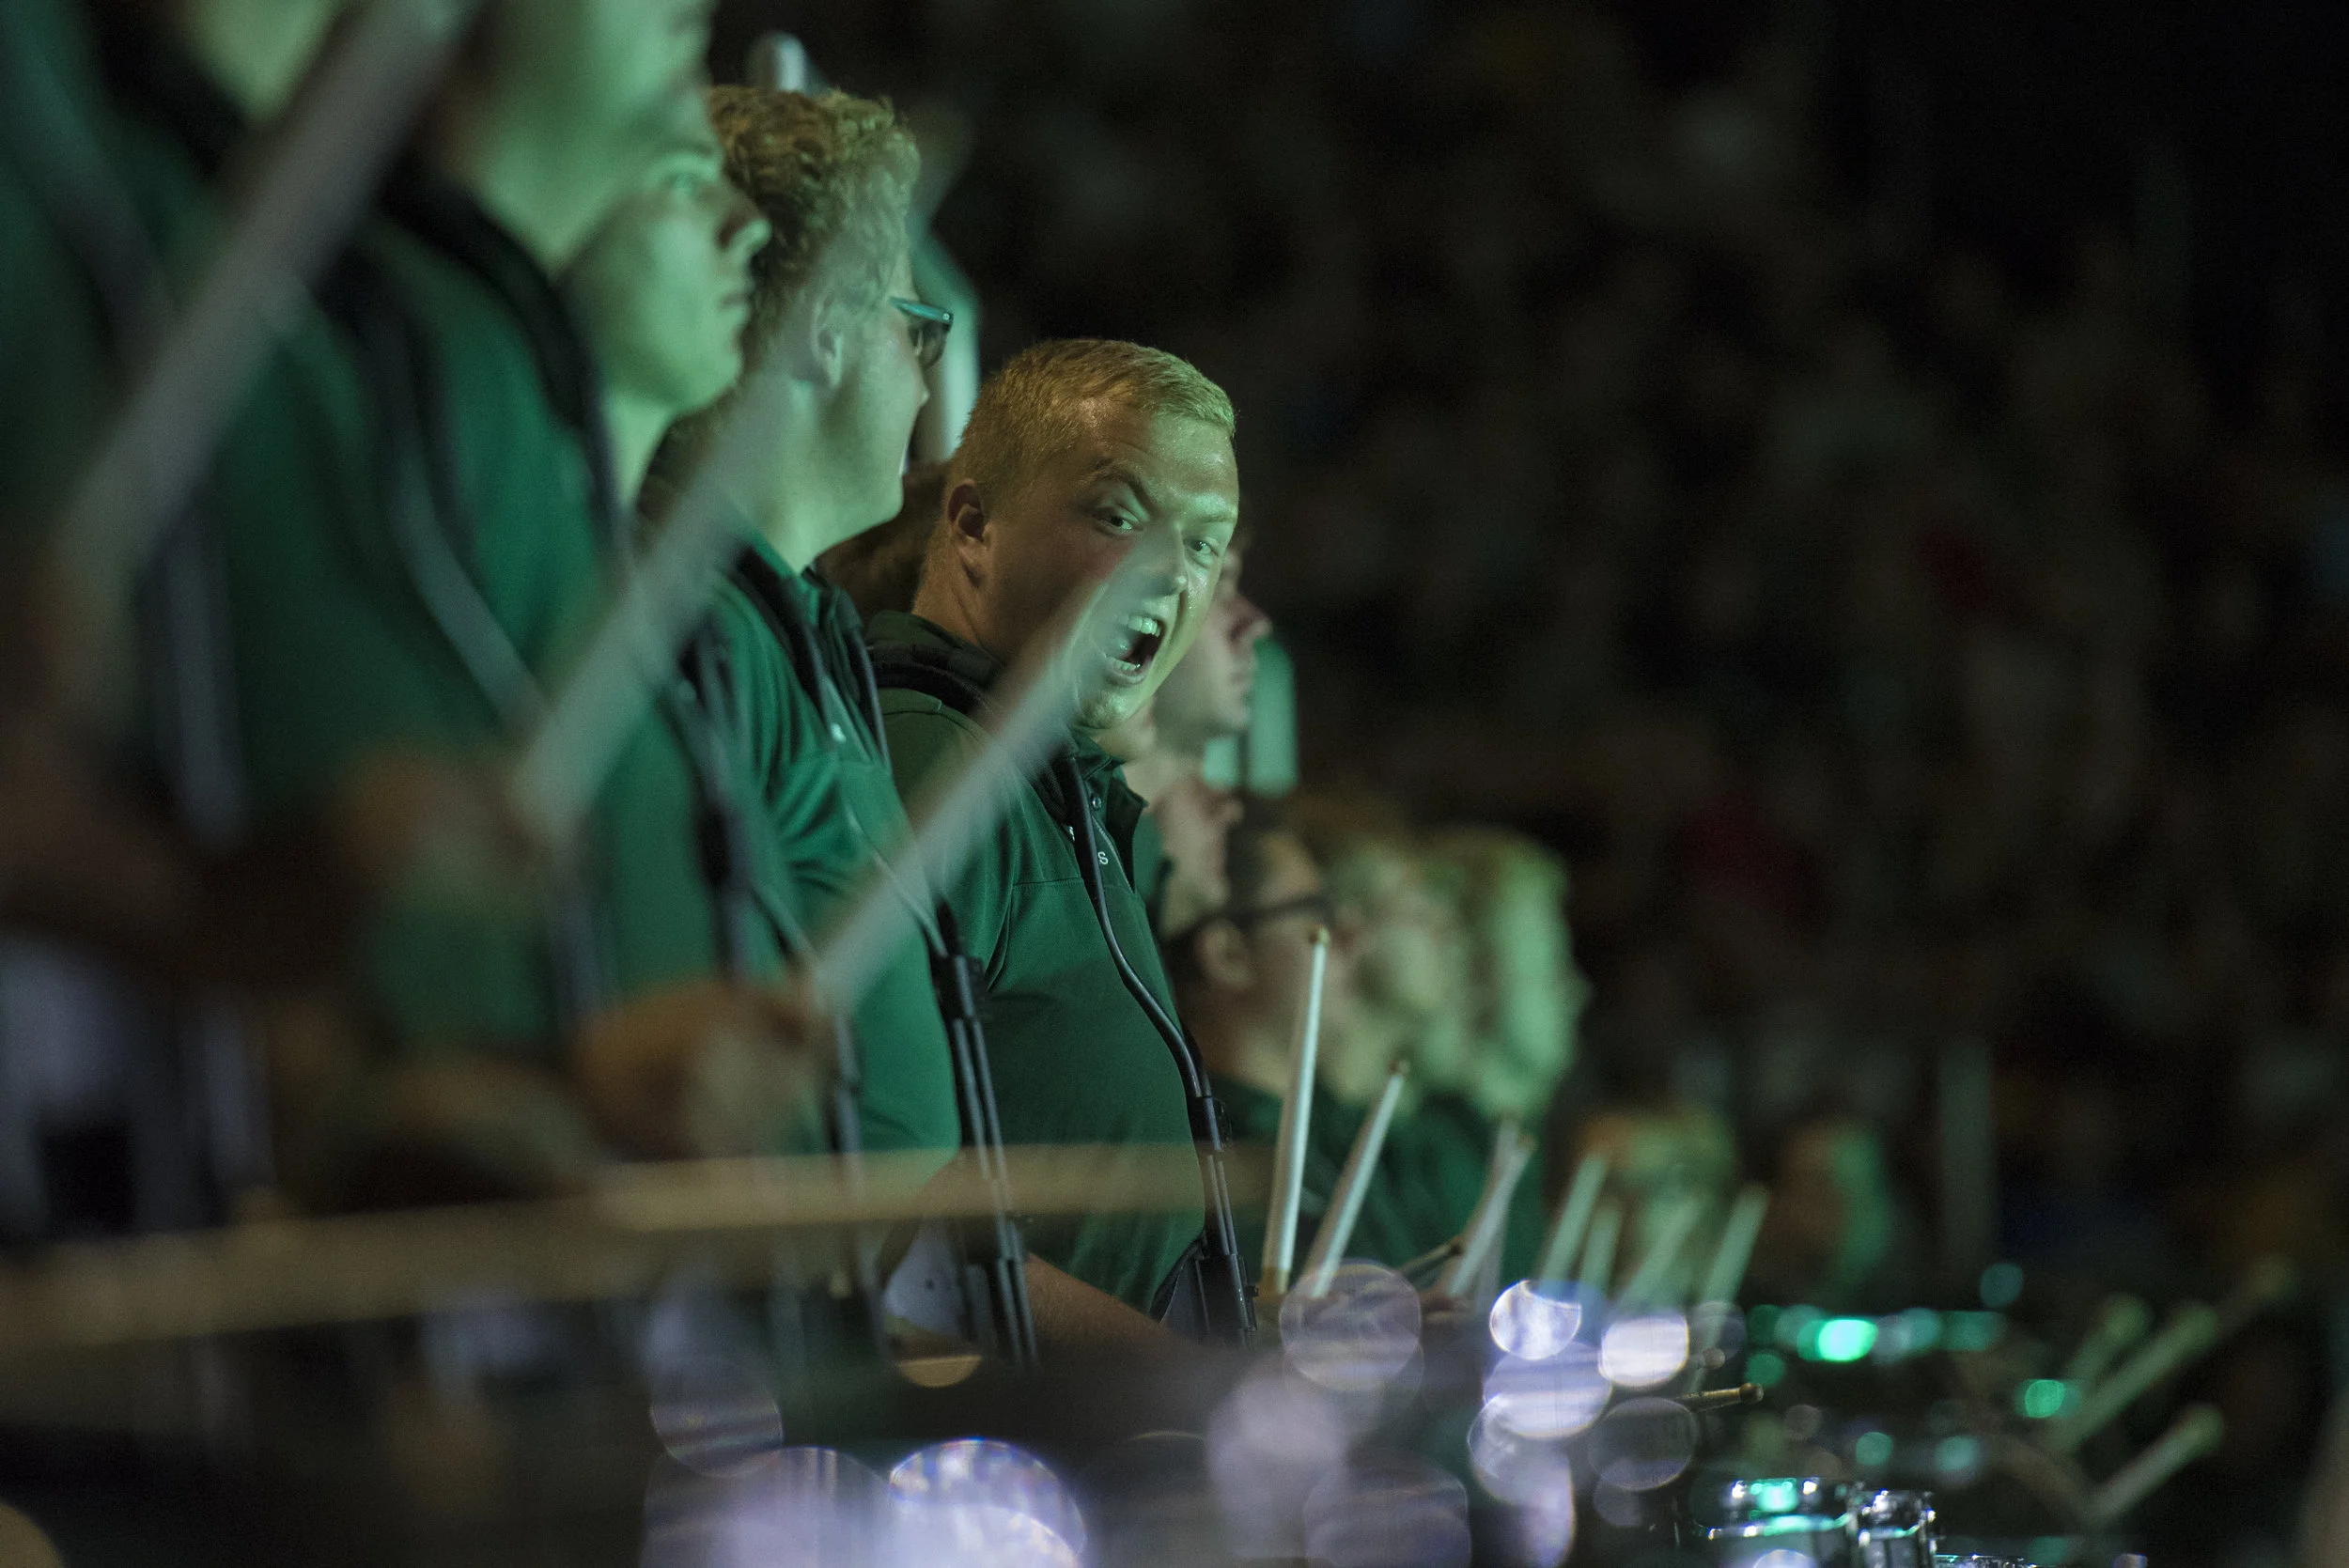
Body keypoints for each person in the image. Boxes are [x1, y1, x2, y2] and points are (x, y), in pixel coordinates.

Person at [866, 338, 1242, 1343]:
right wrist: (1176, 1375)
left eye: (1206, 544)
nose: (1168, 573)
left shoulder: (1052, 791)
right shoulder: (936, 768)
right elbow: (881, 1215)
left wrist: (1243, 1329)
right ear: (974, 525)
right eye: (1120, 517)